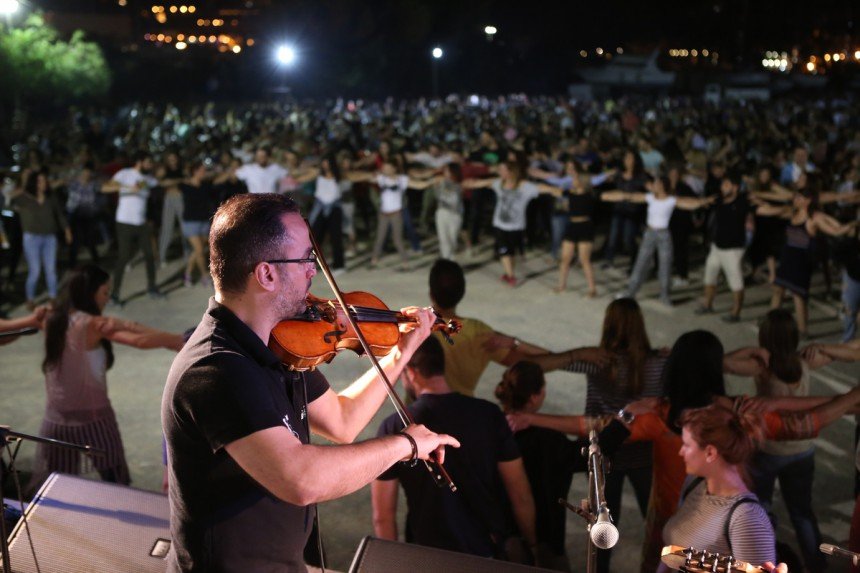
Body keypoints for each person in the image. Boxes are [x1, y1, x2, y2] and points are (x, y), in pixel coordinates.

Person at [162, 193, 459, 572]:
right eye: (305, 259)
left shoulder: (274, 344)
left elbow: (342, 421)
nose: (313, 272)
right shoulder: (216, 370)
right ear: (266, 274)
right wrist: (405, 445)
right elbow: (301, 479)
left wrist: (399, 353)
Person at [372, 336, 538, 562]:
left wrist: (392, 565)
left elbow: (383, 517)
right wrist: (532, 546)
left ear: (411, 372)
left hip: (427, 556)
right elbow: (520, 494)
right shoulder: (489, 415)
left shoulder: (393, 426)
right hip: (487, 552)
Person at [31, 264, 183, 490]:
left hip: (55, 420)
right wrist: (179, 341)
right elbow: (139, 340)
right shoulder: (91, 323)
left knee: (56, 488)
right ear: (88, 293)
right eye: (104, 292)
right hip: (94, 420)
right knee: (116, 484)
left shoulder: (51, 318)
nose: (106, 298)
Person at [658, 404, 775, 572]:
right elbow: (671, 553)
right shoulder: (696, 484)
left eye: (687, 445)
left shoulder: (747, 520)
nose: (680, 452)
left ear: (710, 453)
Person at [426, 258, 547, 396]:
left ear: (431, 293)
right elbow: (537, 363)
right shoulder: (478, 332)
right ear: (462, 293)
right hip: (460, 414)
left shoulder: (413, 326)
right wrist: (515, 342)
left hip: (415, 416)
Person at [756, 186, 858, 337]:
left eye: (799, 198)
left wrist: (853, 224)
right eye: (796, 197)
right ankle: (771, 322)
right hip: (787, 258)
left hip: (801, 261)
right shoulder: (792, 212)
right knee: (778, 290)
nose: (796, 200)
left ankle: (803, 330)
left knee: (798, 295)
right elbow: (766, 210)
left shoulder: (815, 217)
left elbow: (836, 230)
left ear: (808, 200)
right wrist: (759, 201)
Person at [605, 176, 712, 305]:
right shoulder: (650, 197)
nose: (652, 185)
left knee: (665, 266)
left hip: (663, 235)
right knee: (640, 264)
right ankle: (630, 293)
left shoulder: (671, 200)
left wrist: (702, 202)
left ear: (661, 185)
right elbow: (630, 196)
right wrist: (610, 195)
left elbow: (687, 202)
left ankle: (665, 296)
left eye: (655, 183)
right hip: (649, 234)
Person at [101, 151, 163, 304]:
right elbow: (105, 188)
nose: (150, 165)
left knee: (149, 256)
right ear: (140, 161)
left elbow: (160, 180)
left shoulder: (147, 179)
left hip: (141, 223)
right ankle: (115, 295)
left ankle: (152, 288)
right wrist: (128, 188)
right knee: (123, 257)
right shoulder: (125, 173)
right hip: (124, 222)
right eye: (148, 162)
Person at [9, 169, 72, 308]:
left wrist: (67, 231)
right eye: (40, 181)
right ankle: (30, 299)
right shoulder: (23, 198)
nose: (44, 183)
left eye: (45, 180)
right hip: (32, 238)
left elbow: (60, 215)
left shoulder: (51, 197)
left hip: (50, 237)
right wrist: (24, 182)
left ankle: (53, 297)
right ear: (33, 183)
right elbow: (8, 201)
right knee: (35, 270)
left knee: (50, 269)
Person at [695, 173, 754, 322]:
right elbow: (704, 202)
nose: (722, 187)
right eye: (722, 184)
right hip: (717, 246)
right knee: (710, 276)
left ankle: (736, 313)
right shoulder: (719, 200)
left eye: (726, 185)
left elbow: (757, 204)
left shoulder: (743, 202)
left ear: (735, 187)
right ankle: (707, 304)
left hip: (733, 249)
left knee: (735, 281)